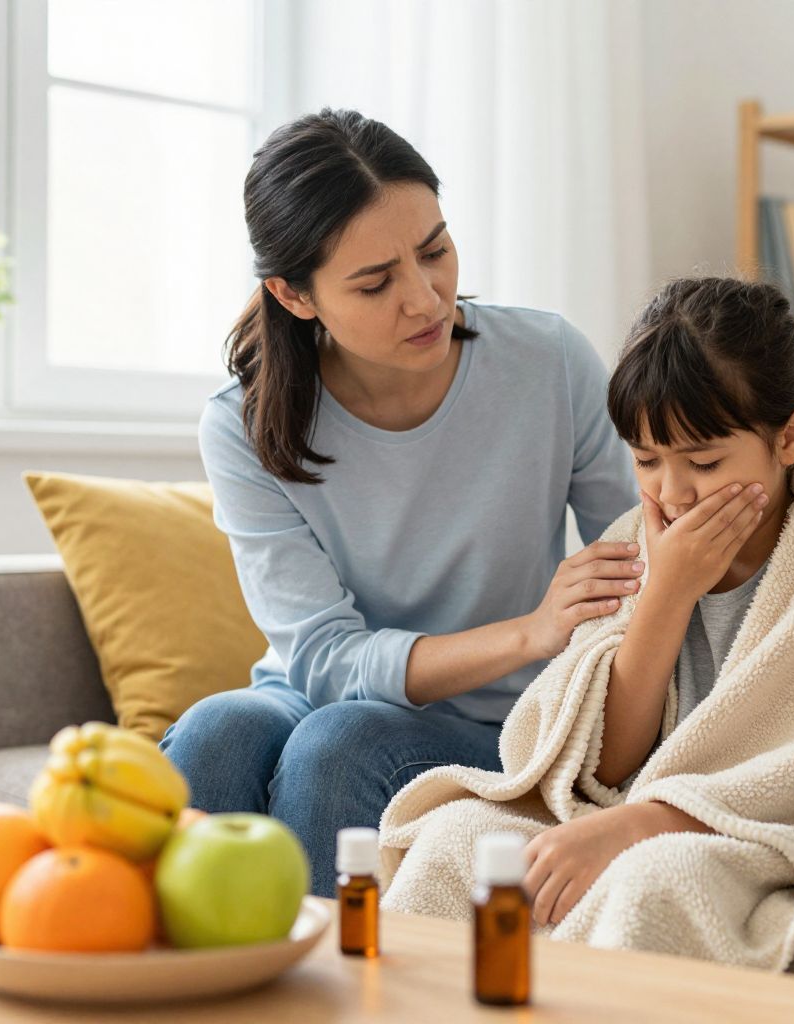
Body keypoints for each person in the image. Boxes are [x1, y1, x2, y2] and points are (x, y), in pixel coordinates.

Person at [377, 278, 794, 969]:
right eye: (646, 461)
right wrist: (666, 594)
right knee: (456, 837)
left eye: (703, 462)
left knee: (654, 878)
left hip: (760, 833)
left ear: (790, 437)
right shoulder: (631, 548)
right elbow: (605, 765)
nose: (672, 493)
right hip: (631, 809)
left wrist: (633, 828)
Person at [159, 108, 639, 897]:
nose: (425, 299)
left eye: (435, 251)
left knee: (339, 744)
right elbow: (324, 660)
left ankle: (324, 976)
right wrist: (529, 630)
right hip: (318, 696)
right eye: (376, 282)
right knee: (218, 731)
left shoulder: (547, 361)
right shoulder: (242, 425)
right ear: (293, 294)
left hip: (504, 719)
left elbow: (643, 546)